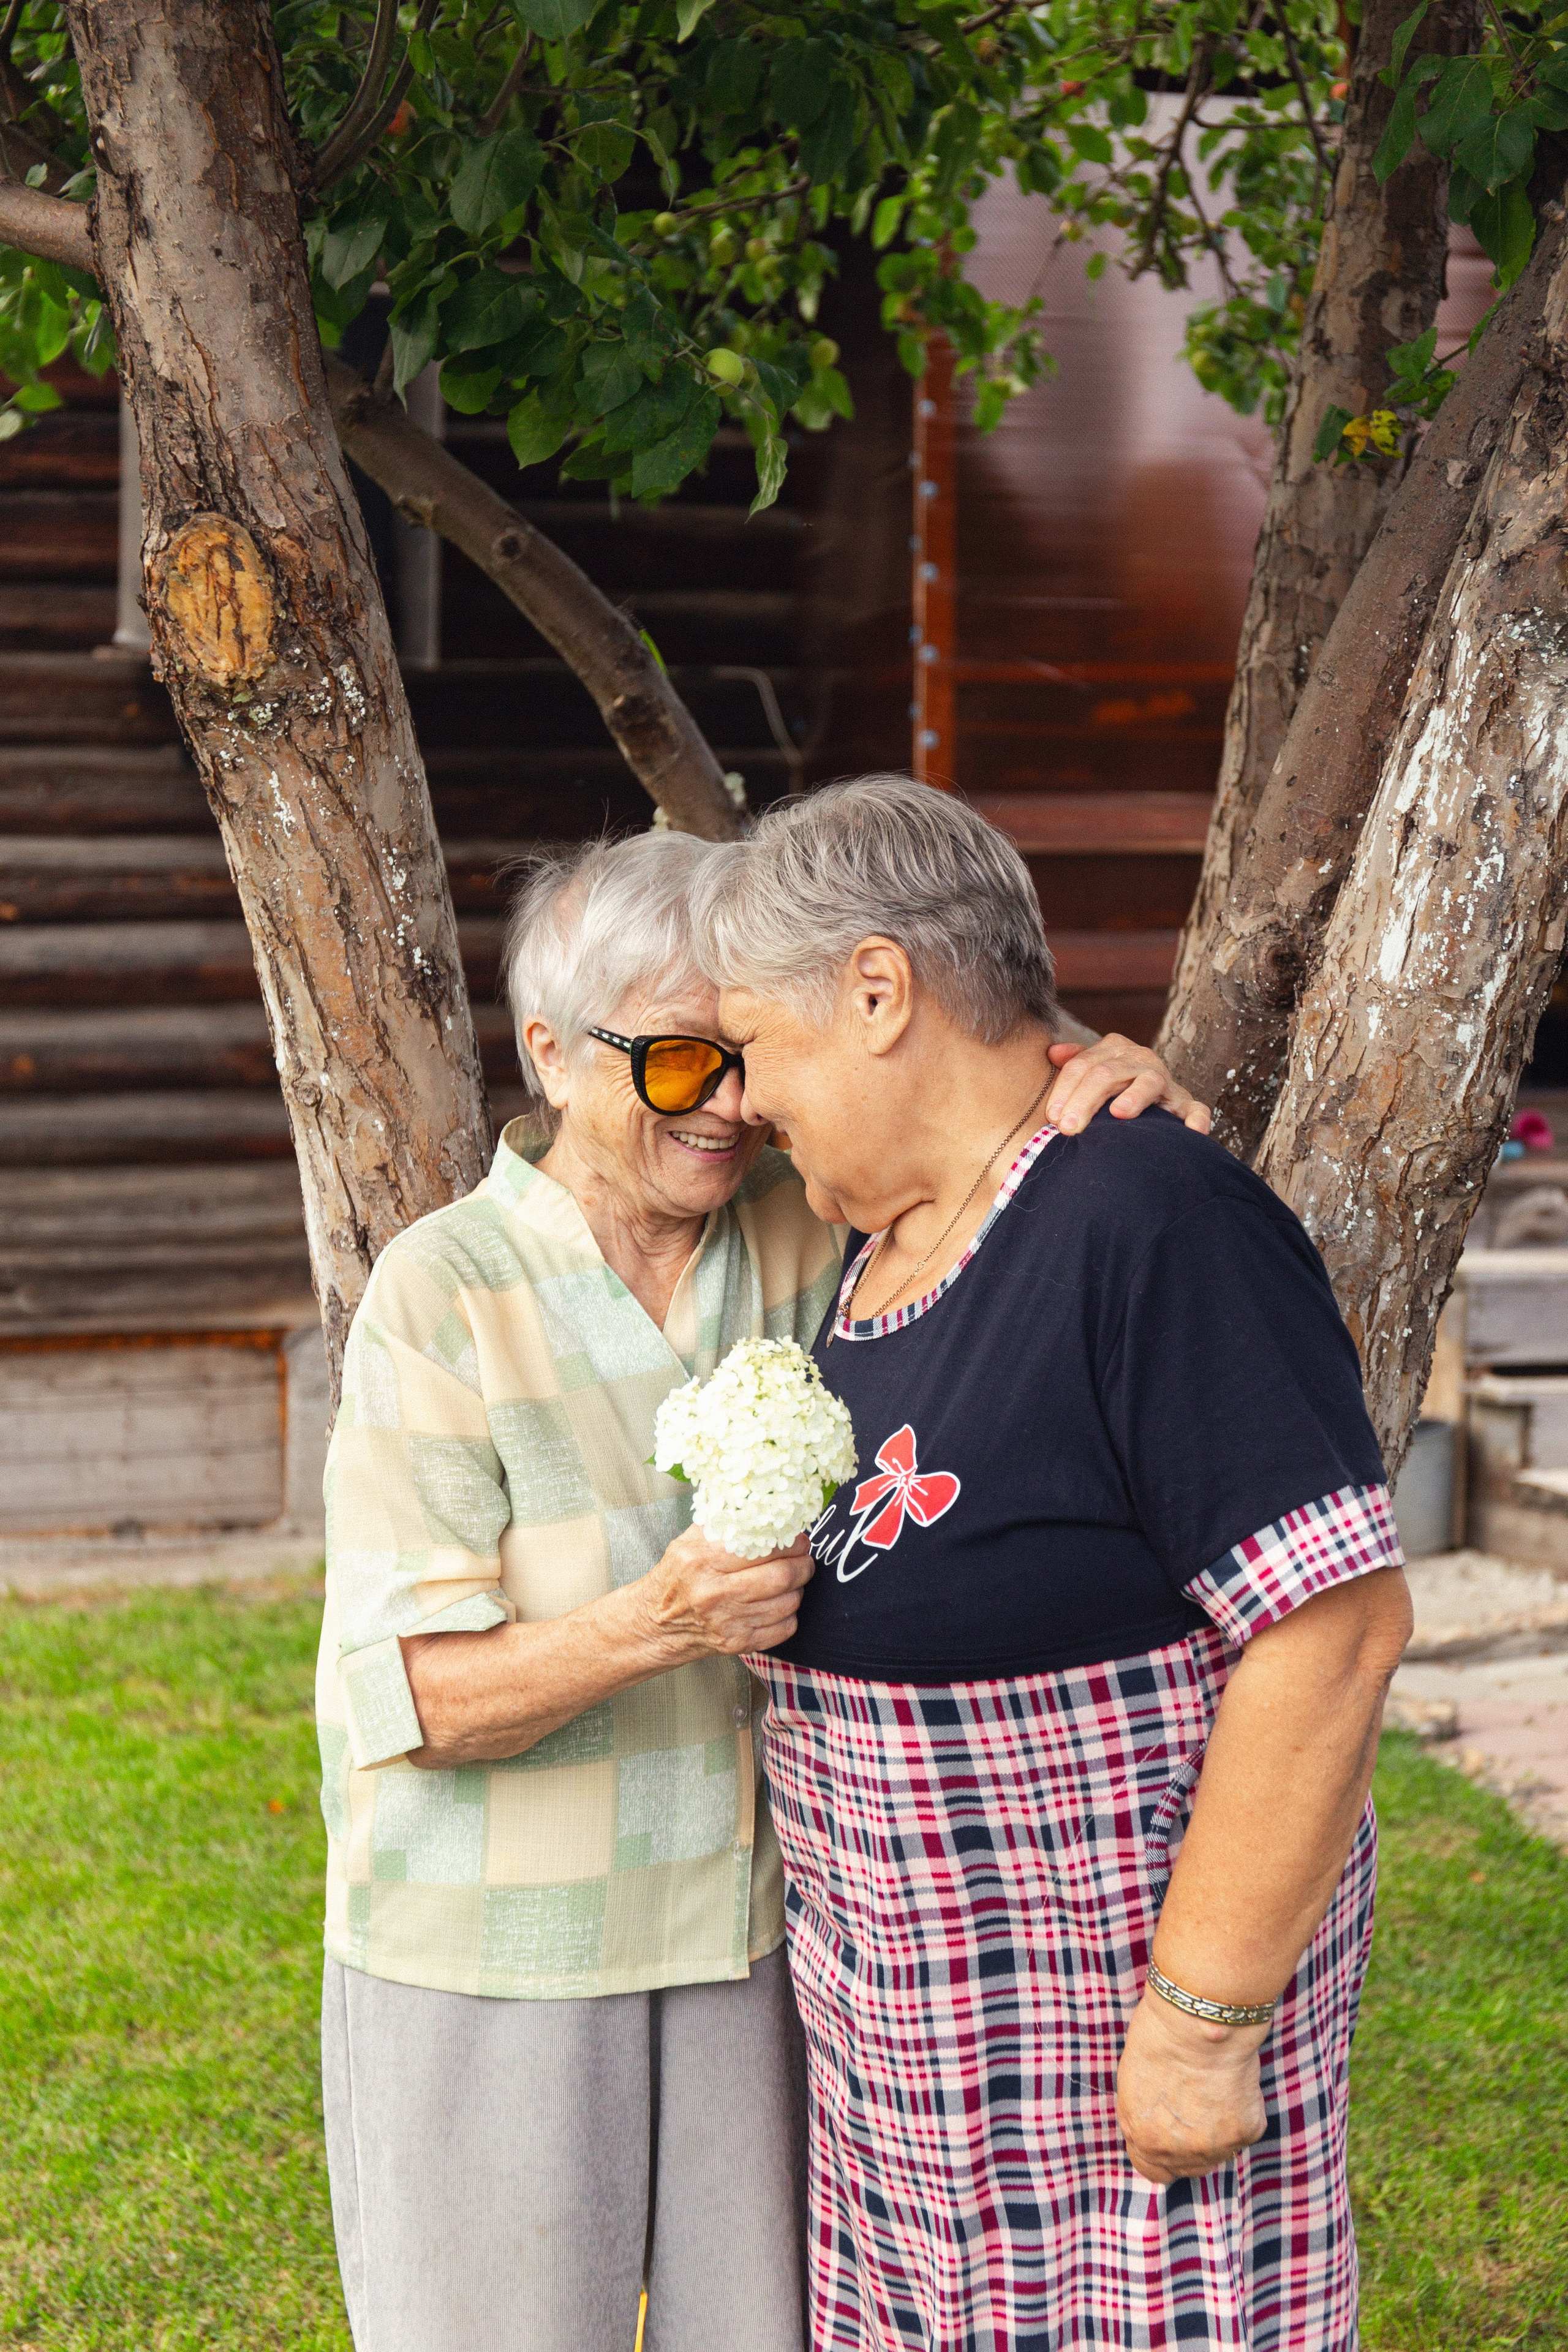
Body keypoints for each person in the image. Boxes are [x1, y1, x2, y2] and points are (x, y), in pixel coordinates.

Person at [313, 825, 1205, 2352]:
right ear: (550, 1051)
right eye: (672, 1065)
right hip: (504, 1953)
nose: (727, 1107)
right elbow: (410, 1697)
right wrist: (658, 1619)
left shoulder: (812, 1222)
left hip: (763, 1946)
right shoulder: (443, 1291)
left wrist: (1108, 1079)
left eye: (741, 1056)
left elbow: (976, 1121)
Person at [688, 777, 1414, 2352]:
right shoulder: (881, 1241)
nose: (739, 1100)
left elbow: (1332, 1633)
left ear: (879, 992)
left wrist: (1203, 2027)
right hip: (923, 2105)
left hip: (1102, 2084)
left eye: (752, 1045)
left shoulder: (1147, 1218)